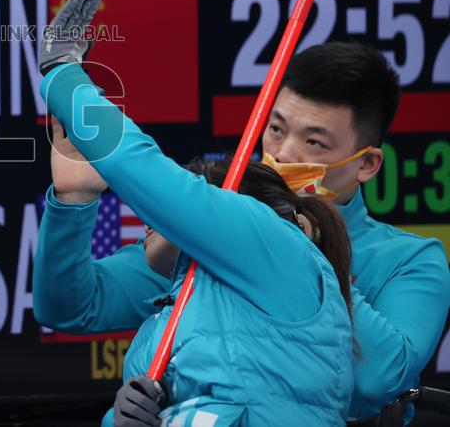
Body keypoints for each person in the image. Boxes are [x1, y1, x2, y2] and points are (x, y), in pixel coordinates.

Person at [34, 26, 450, 421]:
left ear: (367, 164)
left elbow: (377, 379)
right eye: (276, 129)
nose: (283, 153)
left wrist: (305, 249)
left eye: (314, 142)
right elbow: (72, 307)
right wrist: (74, 200)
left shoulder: (412, 260)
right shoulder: (227, 220)